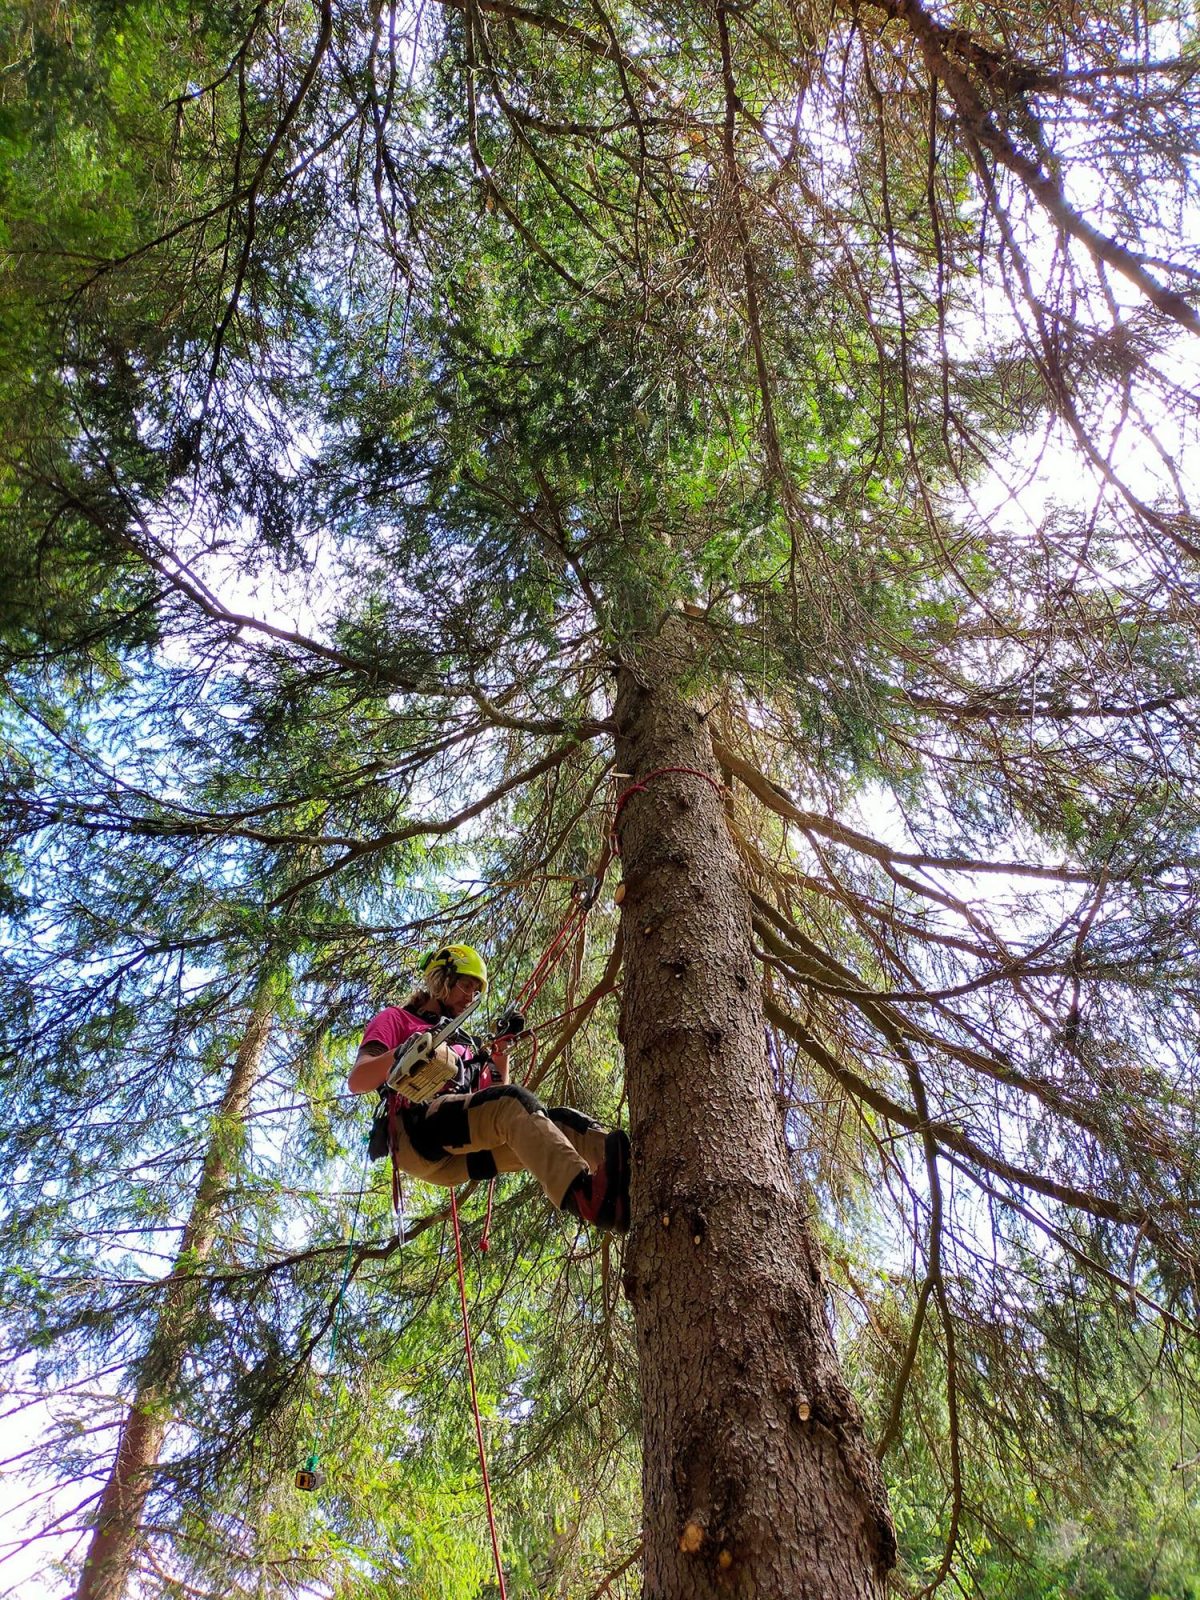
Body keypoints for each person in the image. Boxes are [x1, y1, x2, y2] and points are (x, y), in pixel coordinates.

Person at [350, 943, 630, 1231]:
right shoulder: (398, 1019)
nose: (470, 996)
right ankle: (585, 1196)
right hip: (415, 1132)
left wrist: (500, 1050)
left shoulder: (464, 1043)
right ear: (441, 979)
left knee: (560, 1122)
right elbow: (358, 1079)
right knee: (512, 1104)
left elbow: (494, 1102)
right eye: (465, 985)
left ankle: (632, 1180)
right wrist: (401, 1053)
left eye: (475, 991)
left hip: (457, 1147)